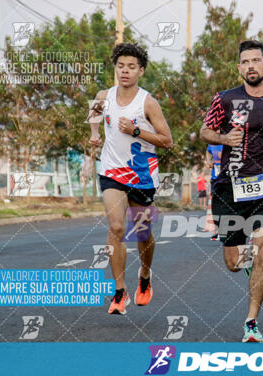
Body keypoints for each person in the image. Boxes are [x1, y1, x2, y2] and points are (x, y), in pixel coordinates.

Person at [200, 40, 263, 343]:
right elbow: (205, 131)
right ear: (239, 68)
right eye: (245, 62)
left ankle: (251, 322)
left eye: (256, 61)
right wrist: (224, 138)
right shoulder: (225, 99)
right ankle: (250, 265)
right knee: (234, 264)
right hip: (228, 187)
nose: (251, 66)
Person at [89, 43, 173, 315]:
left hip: (142, 174)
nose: (125, 71)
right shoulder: (104, 95)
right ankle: (119, 291)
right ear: (115, 68)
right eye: (120, 66)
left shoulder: (148, 102)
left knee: (143, 231)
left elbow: (167, 141)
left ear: (141, 70)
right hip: (112, 171)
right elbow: (94, 114)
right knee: (116, 227)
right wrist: (94, 133)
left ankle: (145, 275)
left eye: (131, 67)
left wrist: (137, 131)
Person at [206, 144, 223, 240]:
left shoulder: (229, 140)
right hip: (215, 179)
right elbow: (208, 151)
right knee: (216, 205)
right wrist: (209, 161)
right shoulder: (212, 143)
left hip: (228, 179)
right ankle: (217, 230)